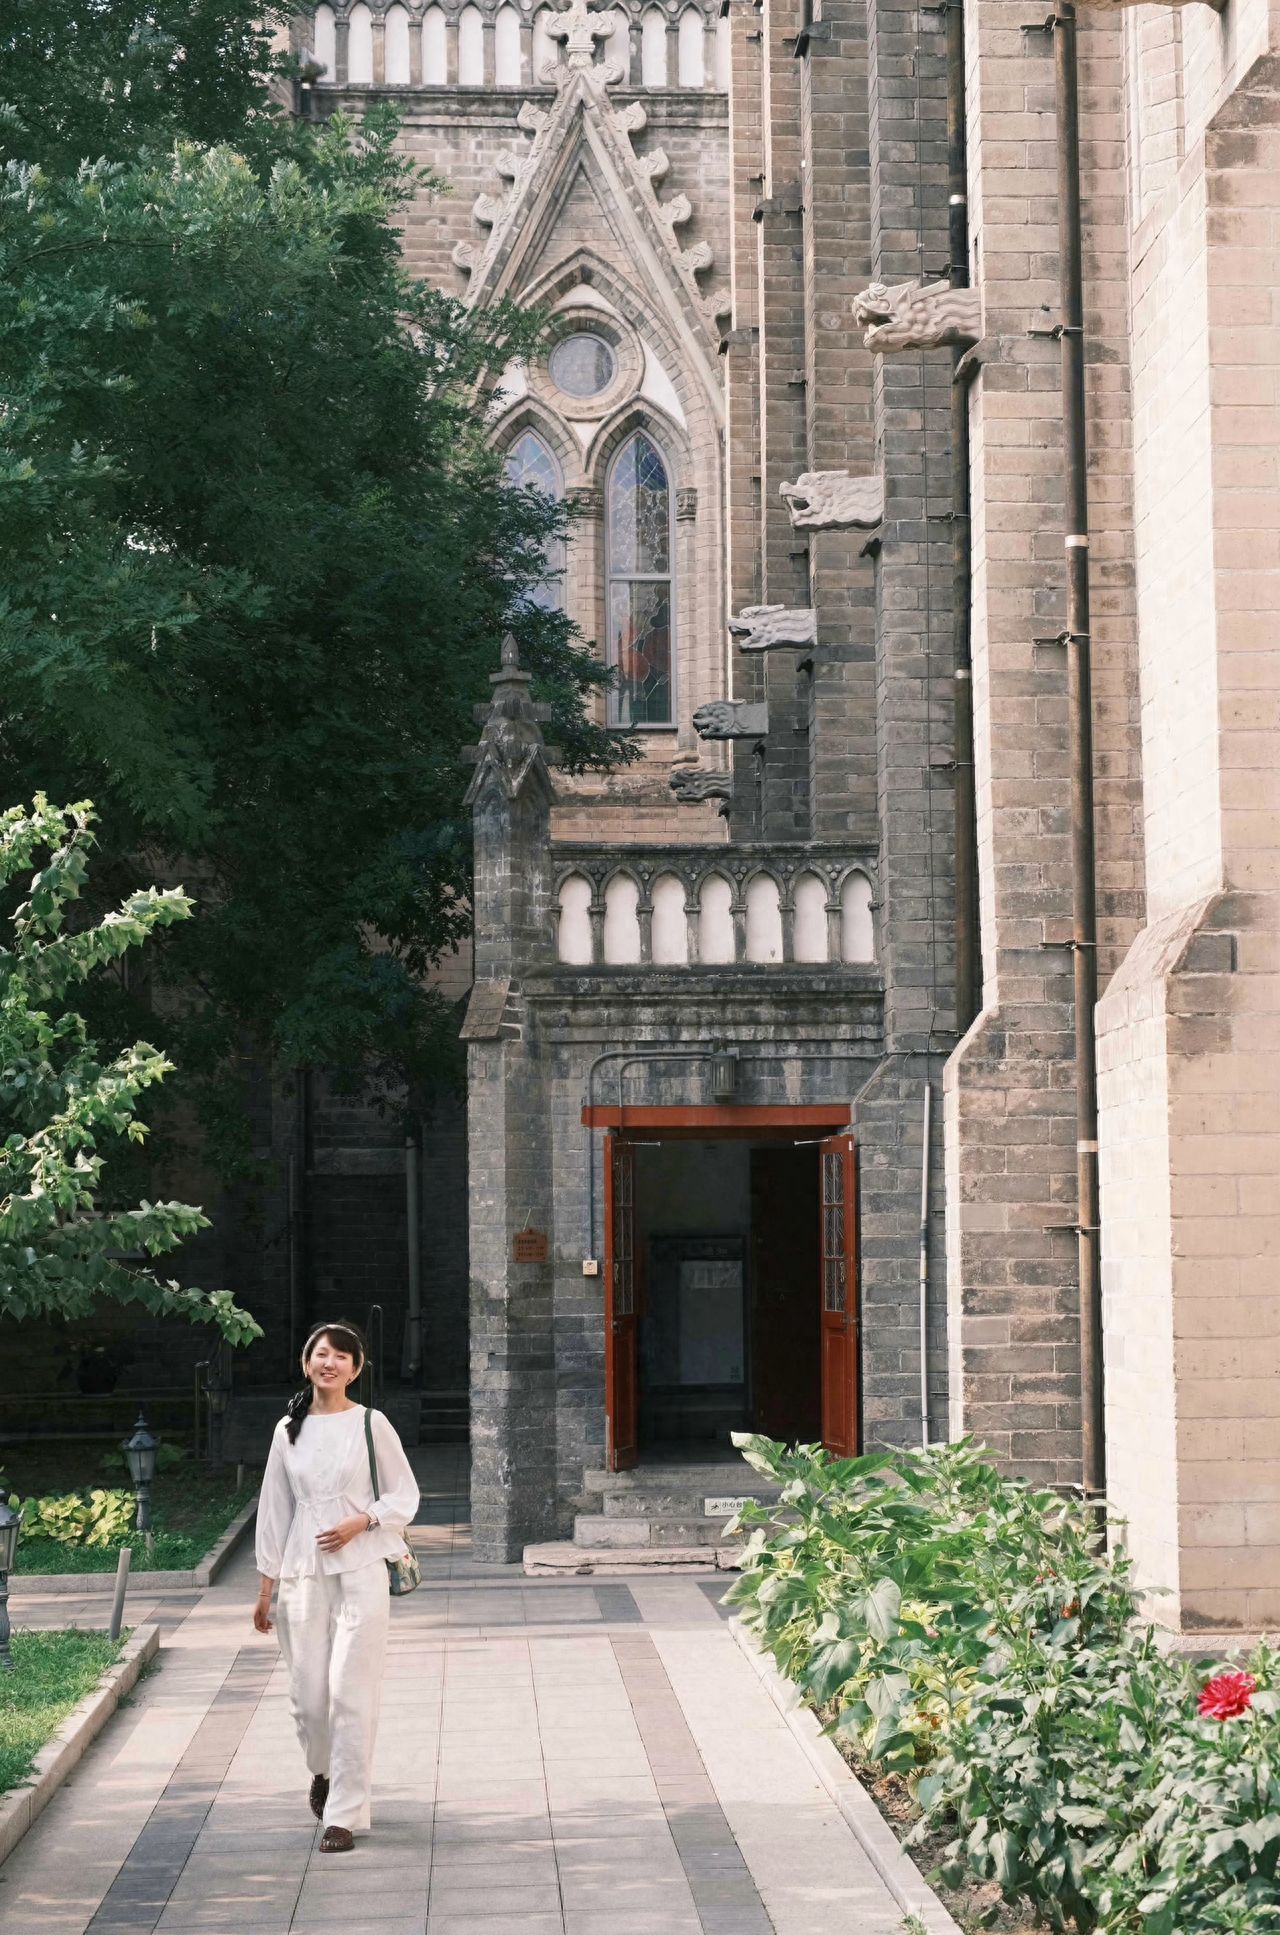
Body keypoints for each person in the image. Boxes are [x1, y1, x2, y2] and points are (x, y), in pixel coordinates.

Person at [253, 1320, 420, 1853]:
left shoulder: (372, 1424)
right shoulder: (287, 1430)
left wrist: (362, 1521)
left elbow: (404, 1494)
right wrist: (265, 1588)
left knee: (351, 1691)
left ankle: (344, 1815)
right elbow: (274, 1510)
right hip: (302, 1573)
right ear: (307, 1364)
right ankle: (322, 1770)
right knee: (308, 1698)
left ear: (356, 1368)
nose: (330, 1363)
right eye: (322, 1354)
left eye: (342, 1356)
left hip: (361, 1569)